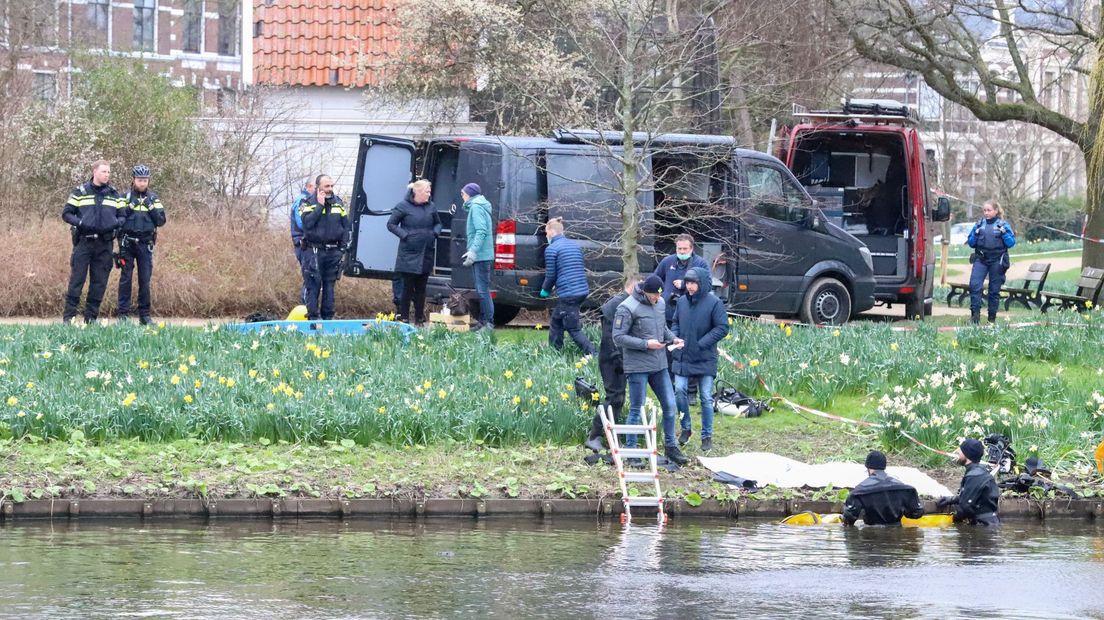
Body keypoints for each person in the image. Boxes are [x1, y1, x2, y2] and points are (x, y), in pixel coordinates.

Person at [613, 274, 688, 465]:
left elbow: (661, 328)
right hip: (637, 366)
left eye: (659, 295)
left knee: (670, 405)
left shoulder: (660, 303)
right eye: (654, 295)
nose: (657, 298)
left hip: (659, 364)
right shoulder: (627, 307)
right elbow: (618, 337)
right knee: (636, 409)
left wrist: (673, 339)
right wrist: (646, 344)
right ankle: (631, 451)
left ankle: (670, 447)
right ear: (645, 291)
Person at [671, 267, 729, 452]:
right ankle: (686, 428)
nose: (689, 286)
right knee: (679, 391)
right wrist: (675, 337)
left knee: (705, 397)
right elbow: (675, 322)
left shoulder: (714, 303)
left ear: (701, 284)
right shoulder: (681, 302)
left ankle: (707, 435)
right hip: (683, 355)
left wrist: (702, 343)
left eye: (693, 283)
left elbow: (722, 327)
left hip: (705, 357)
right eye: (687, 283)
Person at [62, 160, 126, 324]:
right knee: (77, 281)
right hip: (84, 242)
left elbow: (123, 215)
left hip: (104, 245)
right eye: (104, 171)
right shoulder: (80, 192)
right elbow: (67, 213)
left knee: (99, 283)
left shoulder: (114, 194)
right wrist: (80, 223)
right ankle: (69, 318)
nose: (107, 175)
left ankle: (90, 320)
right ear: (94, 172)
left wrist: (116, 224)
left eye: (108, 172)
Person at [584, 275, 639, 452]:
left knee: (619, 398)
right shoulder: (616, 306)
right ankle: (594, 435)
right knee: (614, 396)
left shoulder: (625, 304)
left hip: (620, 357)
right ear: (632, 288)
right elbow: (609, 336)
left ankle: (609, 435)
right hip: (611, 358)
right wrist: (618, 358)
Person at [116, 164, 166, 325]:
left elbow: (161, 220)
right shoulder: (125, 197)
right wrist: (132, 205)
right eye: (139, 180)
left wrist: (149, 207)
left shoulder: (153, 198)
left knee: (145, 280)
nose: (142, 183)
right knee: (125, 280)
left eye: (145, 180)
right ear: (134, 180)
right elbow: (119, 218)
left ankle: (144, 316)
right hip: (127, 244)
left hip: (145, 244)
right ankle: (123, 315)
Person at [387, 179, 441, 325]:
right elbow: (391, 224)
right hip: (409, 253)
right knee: (407, 287)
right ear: (417, 192)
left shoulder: (431, 207)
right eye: (427, 191)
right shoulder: (403, 206)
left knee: (421, 288)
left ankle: (419, 318)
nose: (429, 194)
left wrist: (434, 233)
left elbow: (438, 223)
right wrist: (405, 235)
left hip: (426, 252)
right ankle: (404, 317)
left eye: (429, 191)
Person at [540, 217, 596, 355]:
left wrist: (545, 290)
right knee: (557, 320)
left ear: (552, 232)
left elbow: (551, 275)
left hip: (569, 294)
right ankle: (555, 352)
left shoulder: (552, 249)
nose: (546, 235)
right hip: (581, 290)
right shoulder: (574, 246)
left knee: (573, 329)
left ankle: (594, 355)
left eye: (546, 232)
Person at [300, 174, 351, 321]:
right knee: (313, 286)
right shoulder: (307, 202)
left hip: (333, 251)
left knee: (330, 287)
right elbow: (307, 224)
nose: (330, 189)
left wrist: (342, 248)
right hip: (314, 251)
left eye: (331, 186)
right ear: (318, 188)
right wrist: (320, 205)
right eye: (326, 186)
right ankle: (313, 319)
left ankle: (328, 318)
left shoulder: (338, 202)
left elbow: (346, 226)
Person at [842, 450, 925, 526]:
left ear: (868, 468)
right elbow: (916, 512)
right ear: (884, 466)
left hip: (871, 535)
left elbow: (849, 516)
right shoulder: (903, 487)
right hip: (897, 533)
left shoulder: (860, 490)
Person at [966, 199, 1016, 325]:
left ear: (996, 211)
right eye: (984, 210)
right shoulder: (979, 225)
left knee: (994, 290)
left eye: (989, 210)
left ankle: (991, 318)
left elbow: (1011, 243)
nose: (986, 213)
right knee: (974, 286)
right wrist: (975, 235)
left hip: (997, 261)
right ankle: (975, 316)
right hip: (981, 259)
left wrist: (1003, 233)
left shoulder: (1003, 225)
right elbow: (971, 243)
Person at [937, 438, 1001, 526]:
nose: (957, 454)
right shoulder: (980, 472)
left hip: (983, 528)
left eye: (960, 452)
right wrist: (951, 499)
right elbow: (974, 497)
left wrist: (950, 521)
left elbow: (965, 507)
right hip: (990, 524)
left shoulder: (974, 476)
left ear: (967, 454)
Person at [653, 233, 709, 325]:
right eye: (679, 248)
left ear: (691, 249)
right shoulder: (668, 261)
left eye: (685, 249)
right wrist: (662, 293)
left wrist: (684, 284)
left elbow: (707, 286)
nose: (682, 251)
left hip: (690, 313)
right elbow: (655, 280)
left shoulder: (700, 263)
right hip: (667, 313)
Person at [460, 183, 494, 330]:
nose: (462, 195)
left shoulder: (476, 207)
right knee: (481, 289)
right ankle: (483, 322)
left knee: (482, 290)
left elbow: (481, 231)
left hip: (481, 256)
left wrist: (473, 251)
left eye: (463, 193)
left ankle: (488, 323)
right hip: (482, 255)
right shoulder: (479, 206)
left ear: (469, 194)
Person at [289, 179, 315, 305]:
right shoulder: (302, 201)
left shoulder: (310, 200)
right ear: (309, 187)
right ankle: (306, 307)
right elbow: (302, 222)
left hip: (308, 243)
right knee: (309, 276)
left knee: (314, 276)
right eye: (316, 187)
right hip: (303, 243)